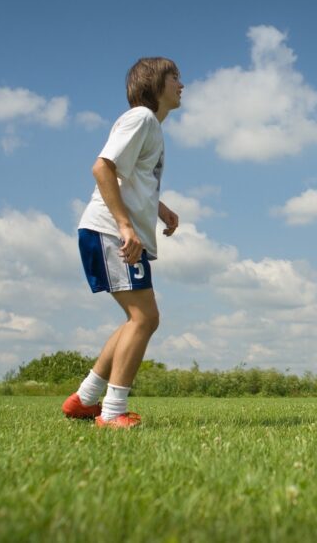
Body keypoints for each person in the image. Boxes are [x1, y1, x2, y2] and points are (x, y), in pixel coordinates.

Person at [62, 57, 183, 428]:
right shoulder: (141, 119)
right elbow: (103, 168)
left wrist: (160, 209)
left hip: (116, 231)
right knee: (145, 318)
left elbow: (130, 177)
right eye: (175, 77)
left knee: (137, 318)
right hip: (111, 232)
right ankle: (112, 412)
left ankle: (84, 400)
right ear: (156, 84)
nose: (182, 84)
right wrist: (126, 226)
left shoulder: (152, 129)